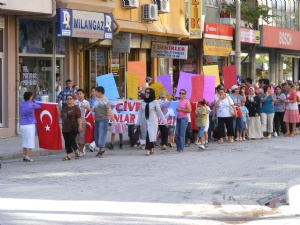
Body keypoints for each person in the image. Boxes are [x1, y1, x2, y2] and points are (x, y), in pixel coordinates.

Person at [136, 88, 168, 156]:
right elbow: (140, 113)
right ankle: (151, 147)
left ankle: (148, 149)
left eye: (148, 92)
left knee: (149, 135)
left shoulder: (154, 102)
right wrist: (137, 122)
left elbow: (160, 112)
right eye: (146, 92)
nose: (146, 94)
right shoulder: (143, 102)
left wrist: (165, 122)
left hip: (152, 121)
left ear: (151, 94)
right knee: (147, 135)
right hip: (144, 121)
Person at [92, 86, 117, 158]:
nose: (95, 93)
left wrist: (114, 120)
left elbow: (109, 111)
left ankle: (102, 150)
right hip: (96, 120)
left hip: (103, 120)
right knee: (96, 136)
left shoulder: (106, 101)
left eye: (96, 92)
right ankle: (101, 150)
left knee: (101, 135)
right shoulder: (96, 100)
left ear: (100, 92)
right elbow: (95, 109)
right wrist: (91, 109)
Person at [57, 94, 82, 161]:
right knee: (67, 141)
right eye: (67, 99)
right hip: (65, 127)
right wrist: (57, 109)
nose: (69, 100)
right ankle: (68, 155)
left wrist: (80, 126)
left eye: (70, 98)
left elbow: (79, 118)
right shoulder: (64, 107)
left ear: (73, 99)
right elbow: (61, 116)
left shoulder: (76, 108)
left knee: (72, 140)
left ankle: (77, 151)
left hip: (73, 127)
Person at [19, 92, 41, 162]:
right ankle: (28, 156)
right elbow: (39, 106)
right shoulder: (32, 104)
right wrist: (35, 101)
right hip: (30, 124)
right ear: (30, 97)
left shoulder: (21, 104)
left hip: (22, 124)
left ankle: (24, 155)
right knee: (30, 141)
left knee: (24, 141)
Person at [74, 89, 91, 156]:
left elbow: (89, 111)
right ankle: (82, 147)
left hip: (84, 121)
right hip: (76, 121)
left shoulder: (86, 102)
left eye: (80, 93)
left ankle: (81, 150)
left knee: (82, 136)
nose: (79, 95)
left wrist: (88, 108)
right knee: (77, 137)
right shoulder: (75, 102)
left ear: (83, 94)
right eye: (78, 94)